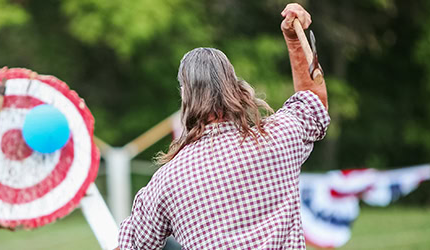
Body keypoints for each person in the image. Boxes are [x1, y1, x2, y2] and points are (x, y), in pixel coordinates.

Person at [116, 3, 329, 249]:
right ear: (233, 86)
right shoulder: (279, 138)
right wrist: (293, 39)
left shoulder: (167, 180)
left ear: (185, 95)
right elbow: (314, 100)